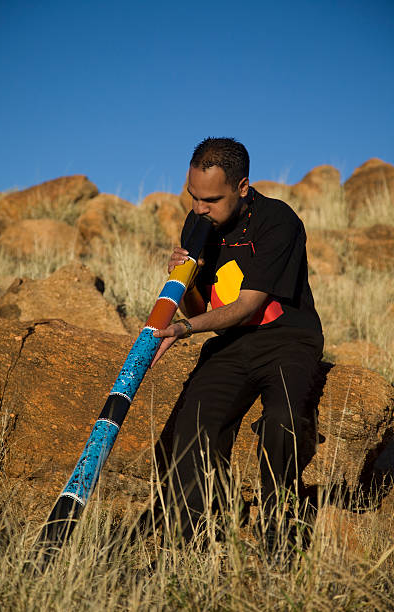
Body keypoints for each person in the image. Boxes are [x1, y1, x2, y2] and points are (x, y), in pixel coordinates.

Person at [152, 137, 323, 552]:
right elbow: (200, 304)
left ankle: (280, 526)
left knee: (283, 421)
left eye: (210, 199)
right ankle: (187, 544)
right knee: (190, 432)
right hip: (229, 344)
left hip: (288, 338)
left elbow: (249, 306)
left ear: (242, 187)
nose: (198, 208)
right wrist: (184, 281)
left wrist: (183, 330)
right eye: (192, 196)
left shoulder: (278, 221)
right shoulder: (197, 224)